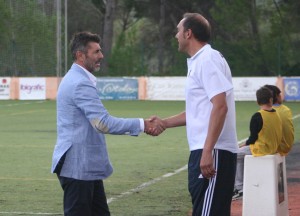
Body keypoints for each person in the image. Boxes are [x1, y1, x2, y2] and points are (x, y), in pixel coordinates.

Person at [51, 31, 164, 216]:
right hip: (77, 166)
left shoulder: (77, 79)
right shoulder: (79, 83)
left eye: (100, 51)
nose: (101, 56)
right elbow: (103, 124)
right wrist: (142, 124)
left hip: (84, 166)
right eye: (96, 52)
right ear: (80, 55)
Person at [150, 13, 239, 216]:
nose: (176, 35)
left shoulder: (207, 59)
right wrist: (164, 123)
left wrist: (208, 151)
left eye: (178, 31)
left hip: (213, 150)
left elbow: (220, 106)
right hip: (206, 149)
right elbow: (199, 111)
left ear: (188, 33)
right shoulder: (200, 61)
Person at [232, 86, 283, 200]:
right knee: (240, 156)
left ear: (257, 101)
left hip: (261, 149)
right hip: (274, 148)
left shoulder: (257, 116)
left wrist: (243, 144)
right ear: (271, 100)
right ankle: (240, 187)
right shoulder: (277, 114)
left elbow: (252, 139)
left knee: (234, 155)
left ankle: (240, 188)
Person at [264, 84, 294, 156]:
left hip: (274, 148)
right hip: (287, 146)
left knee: (238, 153)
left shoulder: (265, 113)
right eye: (279, 95)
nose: (281, 97)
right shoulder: (286, 109)